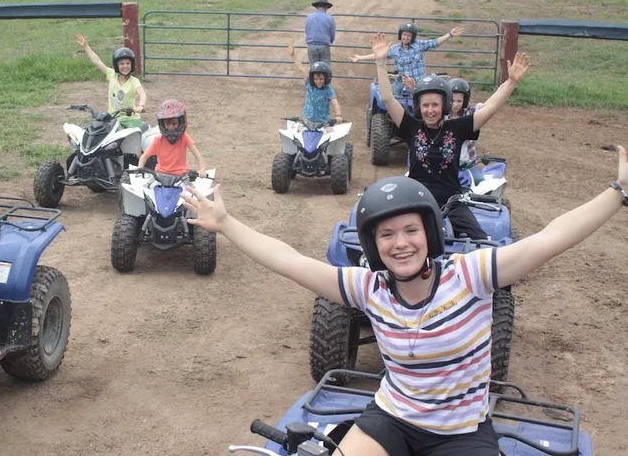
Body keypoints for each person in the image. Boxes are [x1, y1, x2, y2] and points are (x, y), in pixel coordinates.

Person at [180, 149, 628, 455]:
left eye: (411, 230)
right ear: (374, 245)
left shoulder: (470, 276)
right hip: (393, 417)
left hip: (461, 431)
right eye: (387, 234)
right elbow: (289, 260)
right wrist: (227, 223)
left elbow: (550, 240)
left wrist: (619, 191)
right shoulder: (368, 288)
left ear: (429, 233)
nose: (401, 244)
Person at [371, 32, 530, 240]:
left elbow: (489, 109)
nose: (430, 110)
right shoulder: (410, 126)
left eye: (435, 105)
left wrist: (511, 83)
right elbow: (387, 97)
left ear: (444, 105)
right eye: (425, 105)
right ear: (419, 107)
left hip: (452, 202)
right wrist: (381, 61)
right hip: (416, 200)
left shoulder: (457, 128)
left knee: (482, 241)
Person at [351, 22, 465, 94]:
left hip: (420, 80)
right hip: (403, 81)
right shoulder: (395, 49)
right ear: (401, 35)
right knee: (392, 96)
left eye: (408, 35)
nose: (406, 37)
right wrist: (361, 57)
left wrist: (449, 34)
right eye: (404, 35)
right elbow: (379, 55)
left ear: (412, 37)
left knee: (430, 97)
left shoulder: (419, 46)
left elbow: (435, 42)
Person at [75, 33, 147, 129]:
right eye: (121, 63)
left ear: (132, 64)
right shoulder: (112, 75)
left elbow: (142, 94)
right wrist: (86, 47)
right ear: (116, 65)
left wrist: (140, 107)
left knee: (131, 138)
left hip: (130, 119)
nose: (125, 66)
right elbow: (97, 62)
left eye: (128, 63)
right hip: (112, 118)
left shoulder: (134, 81)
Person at [138, 99, 206, 177]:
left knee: (191, 189)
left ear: (181, 122)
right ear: (162, 124)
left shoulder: (184, 138)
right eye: (167, 123)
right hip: (160, 175)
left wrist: (202, 169)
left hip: (181, 175)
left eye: (174, 123)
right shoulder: (158, 141)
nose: (171, 127)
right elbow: (144, 156)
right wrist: (140, 168)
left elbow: (197, 155)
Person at [287, 43, 344, 133]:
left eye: (321, 79)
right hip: (307, 121)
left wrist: (338, 115)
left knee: (331, 134)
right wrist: (293, 55)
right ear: (312, 79)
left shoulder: (328, 89)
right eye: (316, 79)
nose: (318, 81)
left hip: (323, 122)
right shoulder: (309, 84)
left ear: (326, 78)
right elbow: (301, 69)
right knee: (297, 133)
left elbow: (334, 101)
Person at [305, 0, 336, 65]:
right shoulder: (330, 18)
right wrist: (328, 42)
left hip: (311, 45)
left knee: (313, 68)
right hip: (324, 45)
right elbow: (332, 34)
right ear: (326, 7)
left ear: (316, 7)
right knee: (325, 68)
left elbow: (307, 31)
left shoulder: (309, 17)